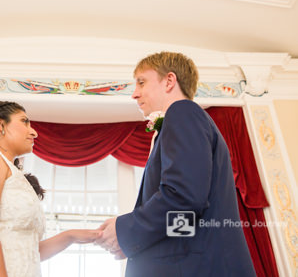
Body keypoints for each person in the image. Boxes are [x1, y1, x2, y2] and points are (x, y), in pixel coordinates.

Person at [95, 52, 256, 276]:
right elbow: (188, 216)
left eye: (142, 82)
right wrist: (143, 240)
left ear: (169, 81)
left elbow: (184, 197)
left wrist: (127, 232)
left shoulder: (182, 112)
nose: (134, 94)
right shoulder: (185, 119)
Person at [0, 101, 100, 277]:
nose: (34, 132)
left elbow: (27, 250)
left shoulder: (14, 174)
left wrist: (71, 236)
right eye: (24, 121)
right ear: (0, 124)